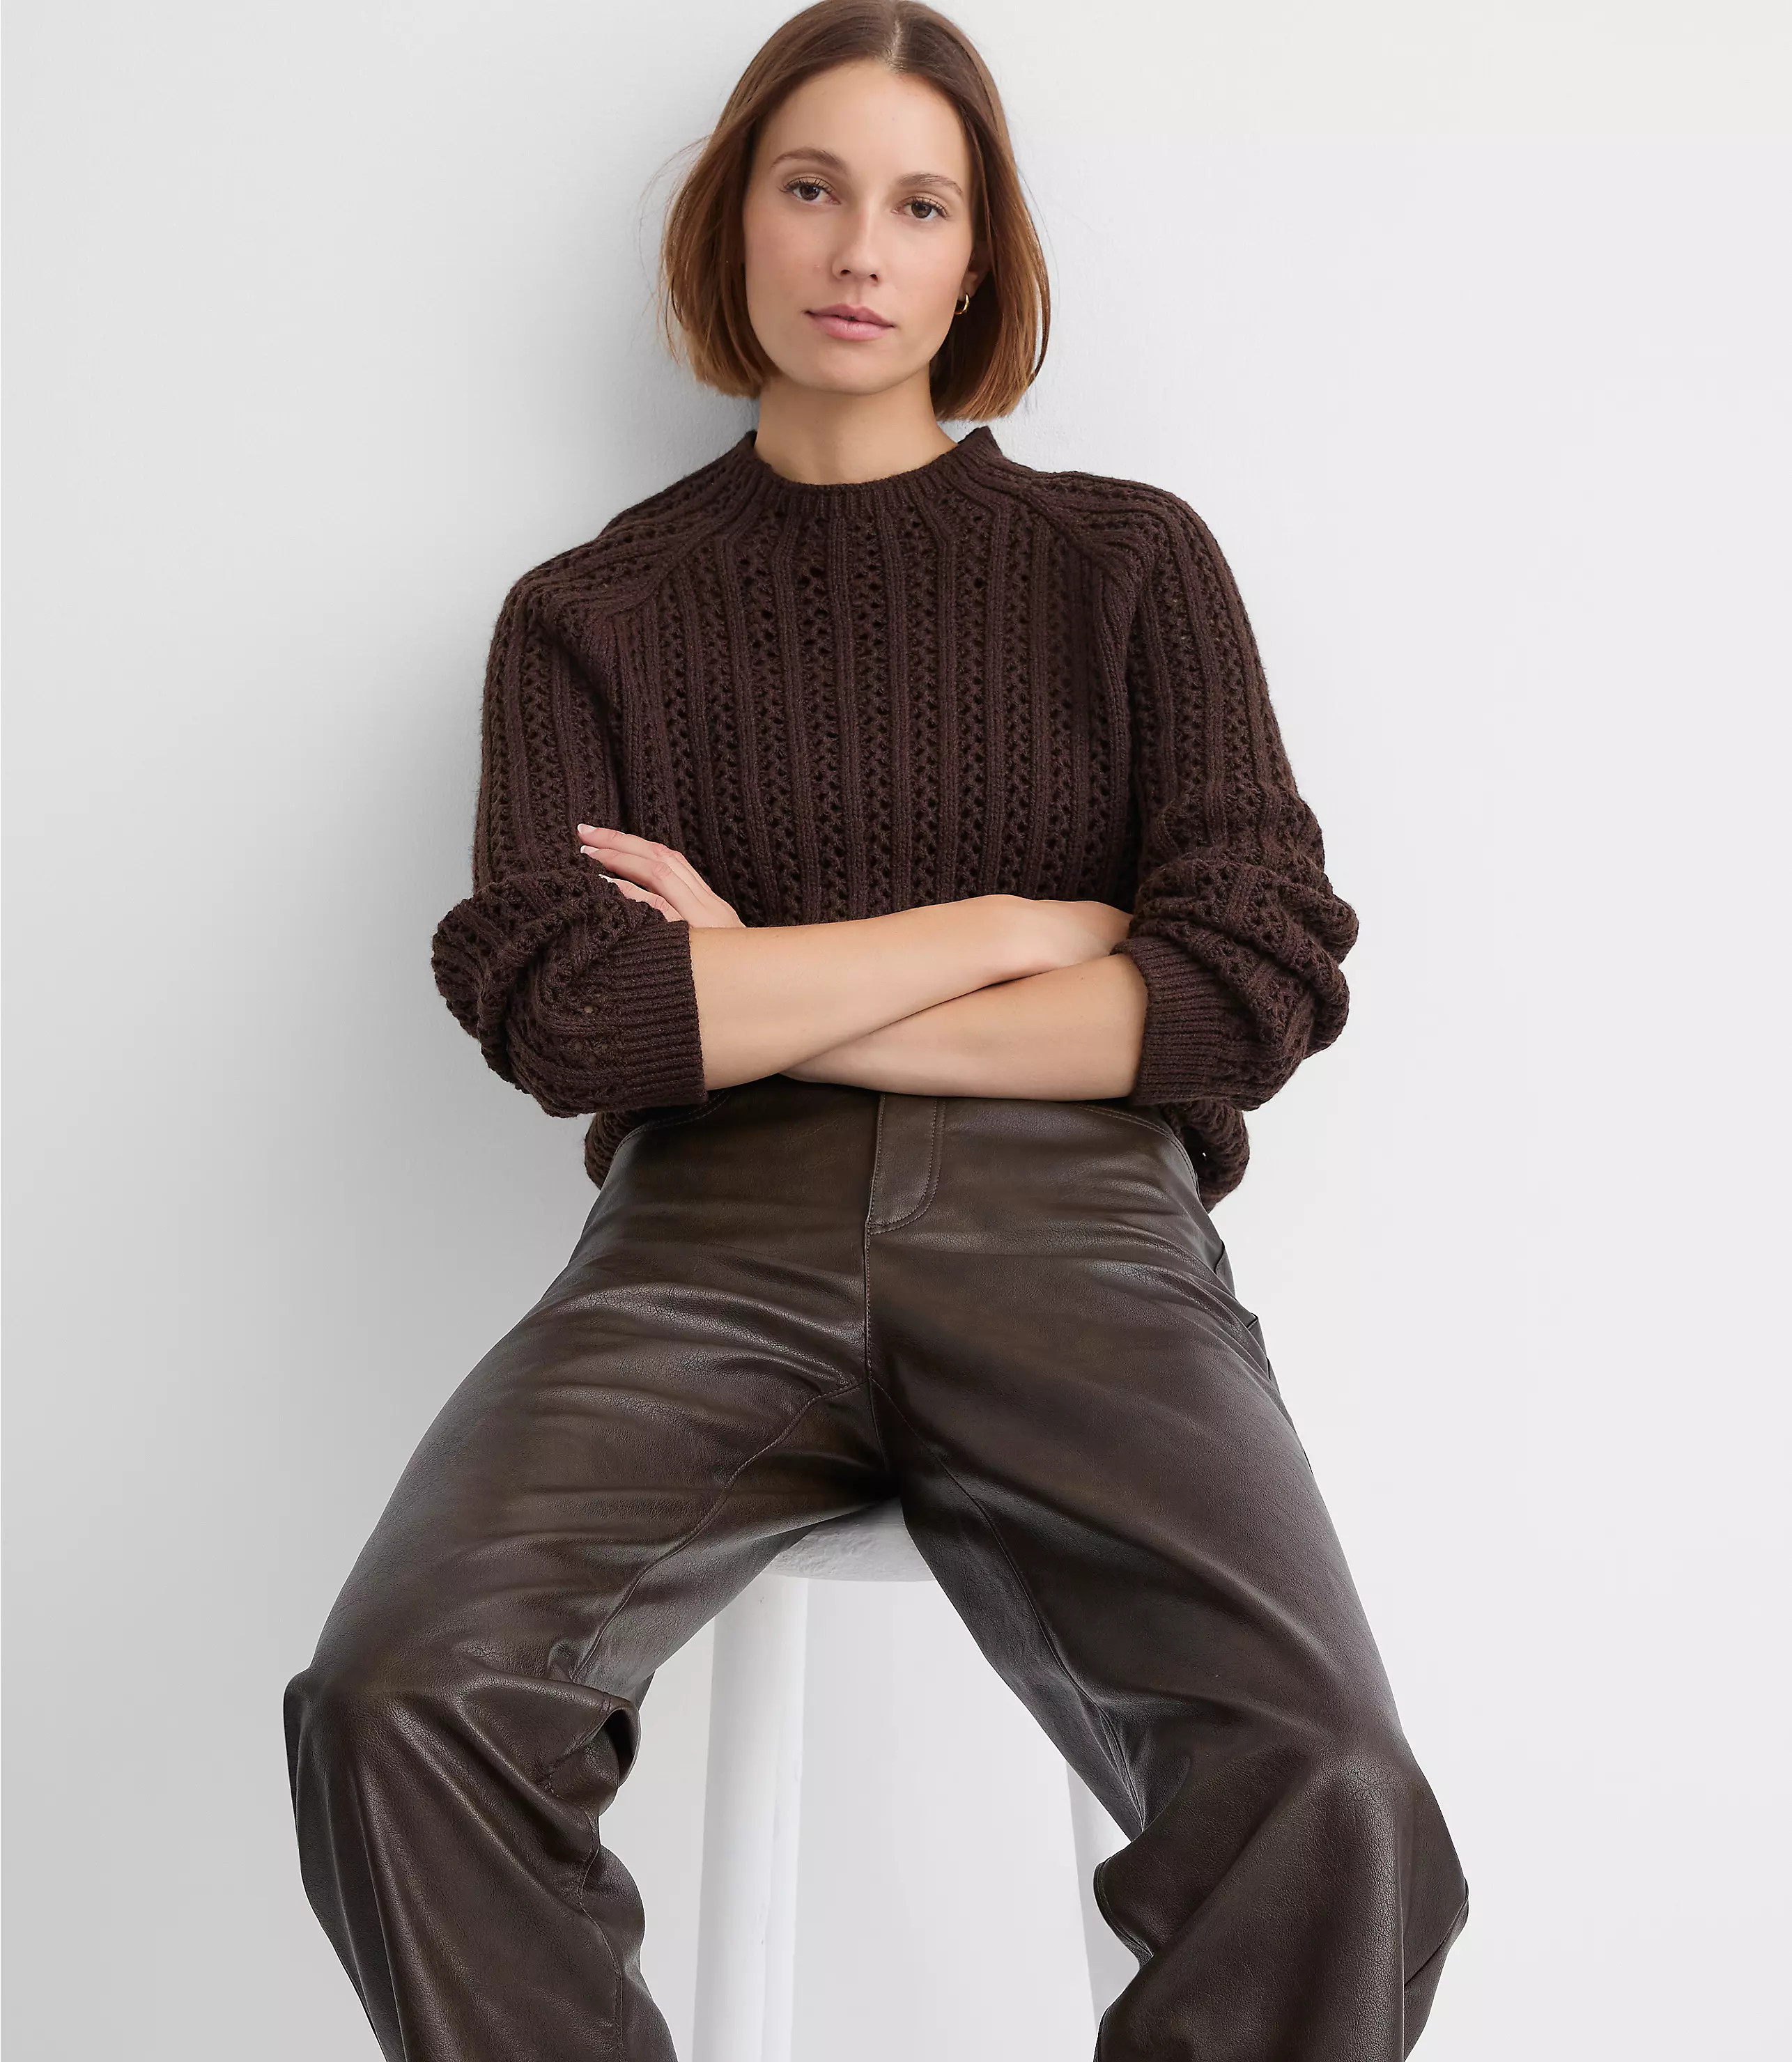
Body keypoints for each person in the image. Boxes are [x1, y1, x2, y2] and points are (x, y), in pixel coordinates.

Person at [282, 3, 1470, 2055]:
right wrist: (1003, 930)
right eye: (812, 188)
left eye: (922, 206)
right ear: (731, 222)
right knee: (398, 1701)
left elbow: (1242, 988)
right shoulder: (588, 615)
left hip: (1072, 1237)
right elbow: (577, 1017)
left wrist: (757, 988)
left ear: (979, 258)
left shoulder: (1127, 564)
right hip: (700, 1248)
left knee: (1333, 1789)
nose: (858, 250)